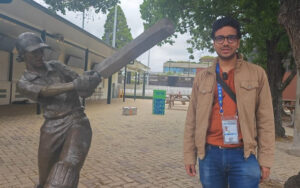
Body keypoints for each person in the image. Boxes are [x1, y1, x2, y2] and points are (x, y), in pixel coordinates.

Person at [183, 16, 275, 188]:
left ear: (238, 42)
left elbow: (266, 121)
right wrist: (189, 155)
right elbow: (191, 121)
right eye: (220, 38)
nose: (225, 43)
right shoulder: (202, 78)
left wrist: (266, 160)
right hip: (209, 155)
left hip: (244, 156)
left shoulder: (257, 74)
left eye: (230, 38)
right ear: (214, 43)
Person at [15, 32, 101, 188]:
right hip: (51, 127)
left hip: (76, 120)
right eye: (34, 52)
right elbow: (45, 91)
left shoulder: (57, 66)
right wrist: (74, 85)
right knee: (44, 179)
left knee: (67, 168)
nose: (39, 55)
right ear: (22, 55)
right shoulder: (23, 82)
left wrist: (90, 81)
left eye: (41, 50)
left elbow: (83, 89)